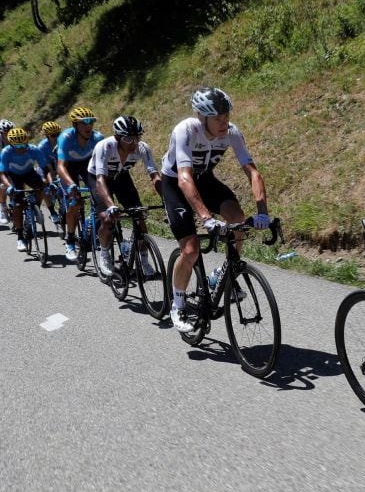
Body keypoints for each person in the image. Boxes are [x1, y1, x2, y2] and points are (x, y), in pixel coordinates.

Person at [161, 87, 270, 333]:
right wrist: (206, 218)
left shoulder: (231, 132)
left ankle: (222, 273)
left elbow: (252, 172)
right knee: (190, 250)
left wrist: (262, 211)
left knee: (238, 218)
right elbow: (184, 178)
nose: (225, 123)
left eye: (227, 116)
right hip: (176, 184)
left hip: (205, 179)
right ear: (202, 117)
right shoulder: (186, 130)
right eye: (218, 118)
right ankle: (177, 304)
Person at [87, 115, 162, 277]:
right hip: (99, 178)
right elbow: (100, 180)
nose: (134, 143)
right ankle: (105, 255)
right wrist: (111, 205)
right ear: (117, 137)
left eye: (137, 138)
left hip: (121, 177)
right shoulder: (104, 146)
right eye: (129, 139)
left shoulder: (142, 148)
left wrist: (167, 199)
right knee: (107, 218)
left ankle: (144, 261)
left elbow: (155, 176)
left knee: (139, 217)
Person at [57, 106, 104, 261]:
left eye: (90, 122)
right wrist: (71, 185)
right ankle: (70, 240)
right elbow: (60, 166)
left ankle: (94, 232)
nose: (88, 125)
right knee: (75, 202)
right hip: (68, 167)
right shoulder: (66, 137)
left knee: (100, 198)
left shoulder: (98, 138)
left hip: (87, 166)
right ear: (75, 125)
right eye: (83, 122)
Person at [0, 128, 53, 251]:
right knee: (18, 204)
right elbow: (2, 174)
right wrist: (9, 186)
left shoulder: (34, 149)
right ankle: (20, 237)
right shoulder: (6, 152)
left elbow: (45, 169)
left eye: (24, 144)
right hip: (13, 176)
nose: (21, 147)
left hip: (29, 173)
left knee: (41, 186)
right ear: (11, 144)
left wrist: (48, 181)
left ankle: (35, 208)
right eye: (17, 145)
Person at [37, 121, 63, 224]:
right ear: (47, 136)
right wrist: (51, 181)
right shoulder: (42, 147)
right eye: (53, 135)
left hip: (59, 166)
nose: (56, 137)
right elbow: (47, 168)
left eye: (58, 134)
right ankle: (52, 212)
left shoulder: (63, 142)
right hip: (46, 168)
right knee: (45, 186)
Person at [0, 119, 16, 225]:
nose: (8, 134)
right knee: (3, 185)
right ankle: (3, 208)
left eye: (10, 131)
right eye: (6, 132)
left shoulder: (15, 137)